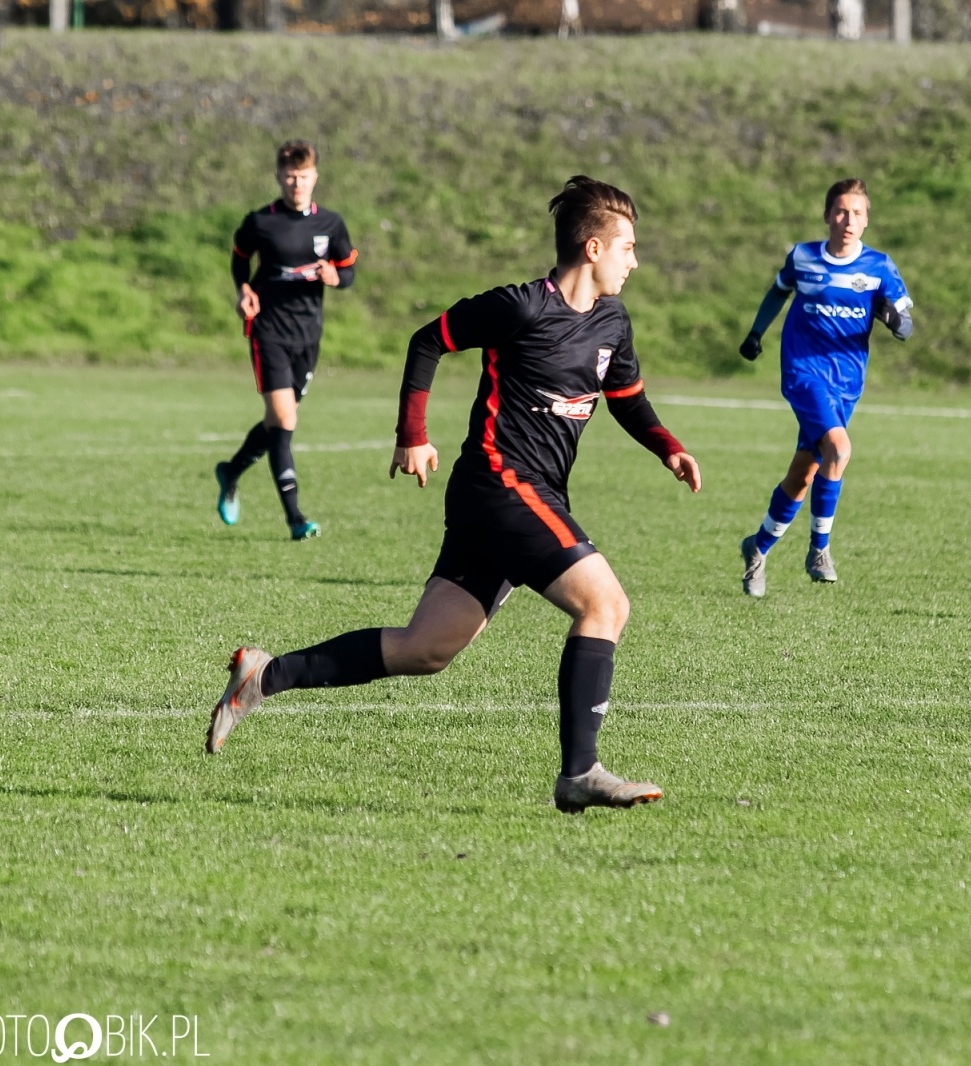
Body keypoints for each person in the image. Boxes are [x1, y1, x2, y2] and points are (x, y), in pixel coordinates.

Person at [207, 177, 701, 815]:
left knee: (426, 648)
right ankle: (580, 771)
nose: (635, 261)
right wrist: (412, 435)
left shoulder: (612, 321)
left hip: (525, 495)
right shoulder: (521, 307)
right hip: (498, 484)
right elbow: (429, 340)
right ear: (593, 247)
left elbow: (627, 398)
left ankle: (264, 675)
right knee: (605, 604)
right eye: (628, 247)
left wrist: (667, 446)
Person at [736, 178, 912, 597]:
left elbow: (906, 324)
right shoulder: (804, 257)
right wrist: (756, 333)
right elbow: (778, 292)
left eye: (857, 213)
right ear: (827, 215)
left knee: (803, 474)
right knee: (840, 450)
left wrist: (893, 320)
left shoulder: (879, 267)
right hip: (803, 372)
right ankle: (819, 549)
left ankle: (757, 547)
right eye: (841, 211)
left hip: (847, 382)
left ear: (866, 221)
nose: (848, 220)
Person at [215, 140, 358, 541]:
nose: (297, 184)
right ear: (279, 177)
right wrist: (244, 288)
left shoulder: (331, 224)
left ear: (315, 177)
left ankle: (231, 471)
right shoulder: (261, 222)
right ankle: (296, 518)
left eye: (304, 176)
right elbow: (240, 257)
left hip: (308, 336)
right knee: (286, 420)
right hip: (268, 331)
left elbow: (348, 271)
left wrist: (335, 277)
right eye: (290, 177)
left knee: (278, 422)